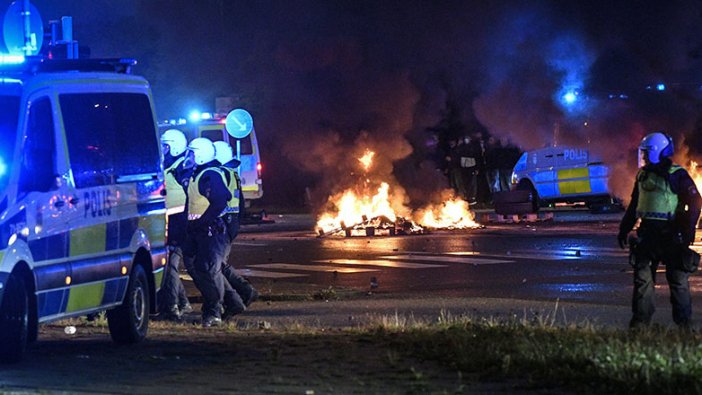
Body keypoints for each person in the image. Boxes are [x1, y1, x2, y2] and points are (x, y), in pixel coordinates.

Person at [617, 132, 701, 330]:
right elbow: (634, 205)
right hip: (647, 234)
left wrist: (687, 231)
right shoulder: (643, 175)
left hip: (671, 235)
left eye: (646, 153)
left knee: (678, 281)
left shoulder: (677, 174)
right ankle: (640, 326)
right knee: (643, 282)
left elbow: (696, 202)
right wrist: (624, 229)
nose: (643, 157)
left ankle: (684, 328)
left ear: (656, 152)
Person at [181, 138, 232, 327]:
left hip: (210, 231)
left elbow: (221, 200)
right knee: (198, 268)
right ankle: (218, 306)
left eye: (192, 153)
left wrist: (202, 222)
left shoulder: (210, 175)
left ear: (201, 155)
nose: (189, 157)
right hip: (198, 231)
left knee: (209, 271)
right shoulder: (199, 174)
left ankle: (214, 312)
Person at [213, 141, 259, 319]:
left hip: (222, 224)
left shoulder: (222, 174)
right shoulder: (231, 174)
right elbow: (239, 204)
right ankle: (244, 292)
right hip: (229, 223)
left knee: (216, 266)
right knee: (219, 265)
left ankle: (243, 293)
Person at [157, 129, 193, 321]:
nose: (162, 149)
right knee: (168, 266)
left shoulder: (182, 167)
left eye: (165, 146)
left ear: (174, 146)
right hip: (170, 221)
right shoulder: (170, 164)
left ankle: (171, 309)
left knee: (169, 266)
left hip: (178, 222)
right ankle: (183, 303)